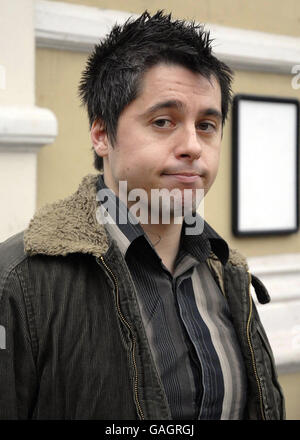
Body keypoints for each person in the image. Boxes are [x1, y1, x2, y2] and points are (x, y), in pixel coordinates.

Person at [0, 10, 285, 420]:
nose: (192, 145)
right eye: (163, 121)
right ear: (102, 134)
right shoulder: (23, 283)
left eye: (207, 125)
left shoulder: (230, 275)